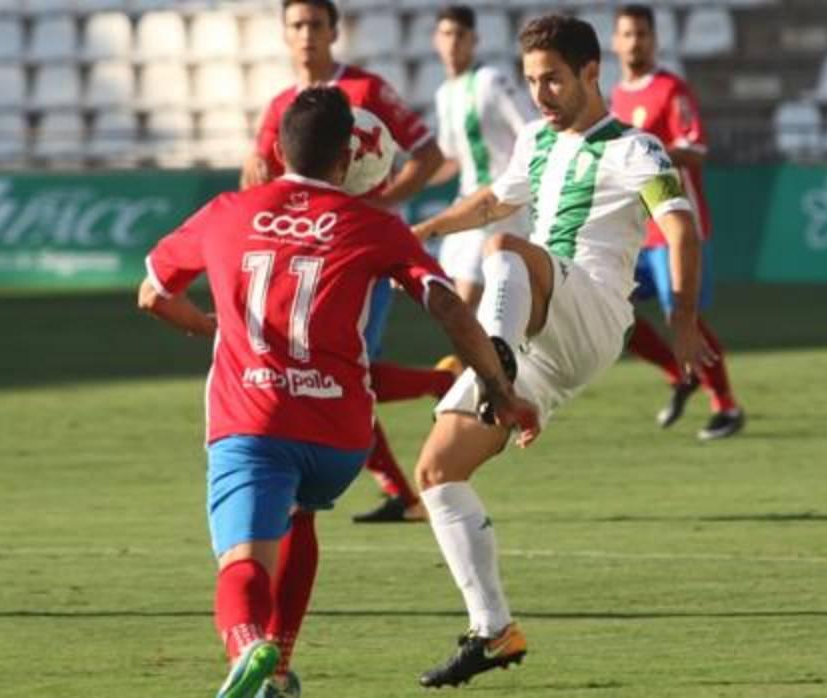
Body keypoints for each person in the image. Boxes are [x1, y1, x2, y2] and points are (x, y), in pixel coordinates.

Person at [138, 87, 538, 698]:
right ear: (347, 161)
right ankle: (279, 670)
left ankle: (249, 648)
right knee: (301, 512)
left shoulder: (227, 211)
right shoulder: (376, 227)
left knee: (241, 562)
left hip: (255, 421)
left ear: (275, 149)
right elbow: (449, 307)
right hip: (341, 439)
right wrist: (499, 388)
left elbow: (154, 292)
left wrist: (204, 325)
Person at [409, 15, 714, 688]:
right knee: (435, 473)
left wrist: (683, 315)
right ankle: (494, 631)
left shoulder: (637, 149)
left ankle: (496, 369)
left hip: (595, 313)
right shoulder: (534, 139)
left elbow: (680, 226)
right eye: (531, 81)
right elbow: (495, 198)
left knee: (507, 253)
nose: (541, 92)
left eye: (553, 79)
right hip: (538, 331)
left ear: (589, 73)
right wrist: (426, 227)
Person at [242, 0, 455, 524]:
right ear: (285, 34)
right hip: (305, 260)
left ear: (335, 31)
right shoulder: (280, 107)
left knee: (344, 369)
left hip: (358, 255)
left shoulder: (366, 91)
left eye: (317, 24)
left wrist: (379, 206)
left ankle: (408, 472)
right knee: (336, 370)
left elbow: (427, 155)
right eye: (297, 25)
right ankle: (405, 483)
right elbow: (262, 181)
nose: (307, 34)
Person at [610, 4, 746, 439]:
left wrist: (648, 149)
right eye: (627, 34)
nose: (635, 42)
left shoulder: (672, 90)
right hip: (637, 231)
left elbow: (697, 151)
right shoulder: (616, 97)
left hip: (675, 227)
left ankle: (726, 406)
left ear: (655, 40)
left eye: (642, 34)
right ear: (615, 42)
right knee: (611, 308)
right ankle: (677, 373)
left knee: (681, 317)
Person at [430, 4, 535, 308]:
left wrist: (513, 185)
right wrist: (409, 178)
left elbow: (529, 130)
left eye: (460, 35)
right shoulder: (444, 94)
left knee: (465, 301)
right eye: (446, 34)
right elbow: (451, 159)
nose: (452, 42)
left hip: (497, 204)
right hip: (467, 201)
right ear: (436, 39)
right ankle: (486, 355)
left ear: (474, 39)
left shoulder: (490, 80)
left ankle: (471, 357)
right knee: (452, 298)